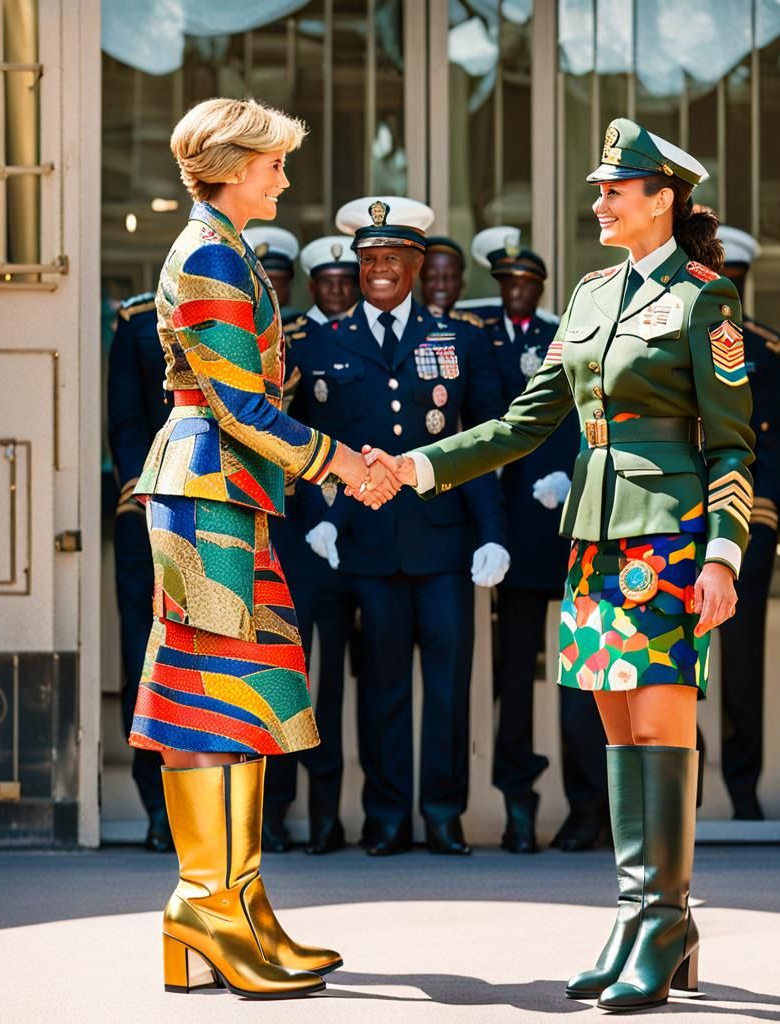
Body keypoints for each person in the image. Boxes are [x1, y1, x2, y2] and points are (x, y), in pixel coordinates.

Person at [367, 118, 754, 1010]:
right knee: (617, 730)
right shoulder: (585, 296)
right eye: (600, 189)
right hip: (593, 535)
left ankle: (666, 918)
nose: (600, 202)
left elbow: (733, 447)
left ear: (664, 200)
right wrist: (419, 466)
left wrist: (724, 557)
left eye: (616, 190)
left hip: (669, 534)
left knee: (659, 728)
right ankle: (638, 916)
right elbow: (525, 422)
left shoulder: (705, 301)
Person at [127, 96, 397, 999]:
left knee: (247, 692)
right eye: (275, 162)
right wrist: (338, 464)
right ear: (238, 165)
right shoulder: (208, 251)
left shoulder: (226, 246)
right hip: (207, 487)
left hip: (227, 491)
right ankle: (206, 901)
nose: (284, 176)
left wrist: (322, 463)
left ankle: (235, 902)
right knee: (209, 696)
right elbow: (240, 404)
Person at [292, 196, 511, 856]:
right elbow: (312, 445)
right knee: (382, 690)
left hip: (445, 544)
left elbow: (483, 443)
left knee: (447, 690)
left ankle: (444, 814)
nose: (379, 270)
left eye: (393, 258)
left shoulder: (459, 339)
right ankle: (386, 817)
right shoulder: (325, 343)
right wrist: (324, 520)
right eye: (369, 259)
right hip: (366, 545)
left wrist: (494, 532)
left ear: (417, 264)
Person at [468, 226, 610, 854]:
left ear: (543, 290)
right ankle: (518, 804)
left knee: (581, 677)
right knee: (514, 686)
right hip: (512, 535)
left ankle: (588, 806)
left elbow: (589, 414)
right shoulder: (480, 339)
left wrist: (572, 474)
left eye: (528, 284)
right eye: (508, 285)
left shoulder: (569, 334)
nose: (519, 293)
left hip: (568, 526)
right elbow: (484, 426)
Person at [263, 232, 363, 855]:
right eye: (323, 282)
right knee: (282, 681)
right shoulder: (289, 341)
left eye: (343, 282)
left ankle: (327, 814)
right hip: (294, 531)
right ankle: (274, 810)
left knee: (331, 688)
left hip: (350, 530)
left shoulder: (364, 339)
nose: (334, 291)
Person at [716, 223, 780, 820]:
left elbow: (775, 449)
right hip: (682, 529)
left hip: (745, 531)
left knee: (742, 672)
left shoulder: (767, 350)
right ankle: (675, 797)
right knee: (673, 671)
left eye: (736, 283)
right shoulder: (680, 337)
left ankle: (743, 793)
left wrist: (759, 529)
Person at [107, 291, 173, 852]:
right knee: (146, 659)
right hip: (148, 513)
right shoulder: (136, 324)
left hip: (221, 513)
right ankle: (157, 804)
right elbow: (126, 423)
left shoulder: (238, 307)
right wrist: (144, 490)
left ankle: (211, 800)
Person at [242, 225, 301, 323]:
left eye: (278, 282)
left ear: (289, 285)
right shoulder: (238, 326)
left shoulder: (305, 328)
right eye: (261, 283)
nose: (270, 290)